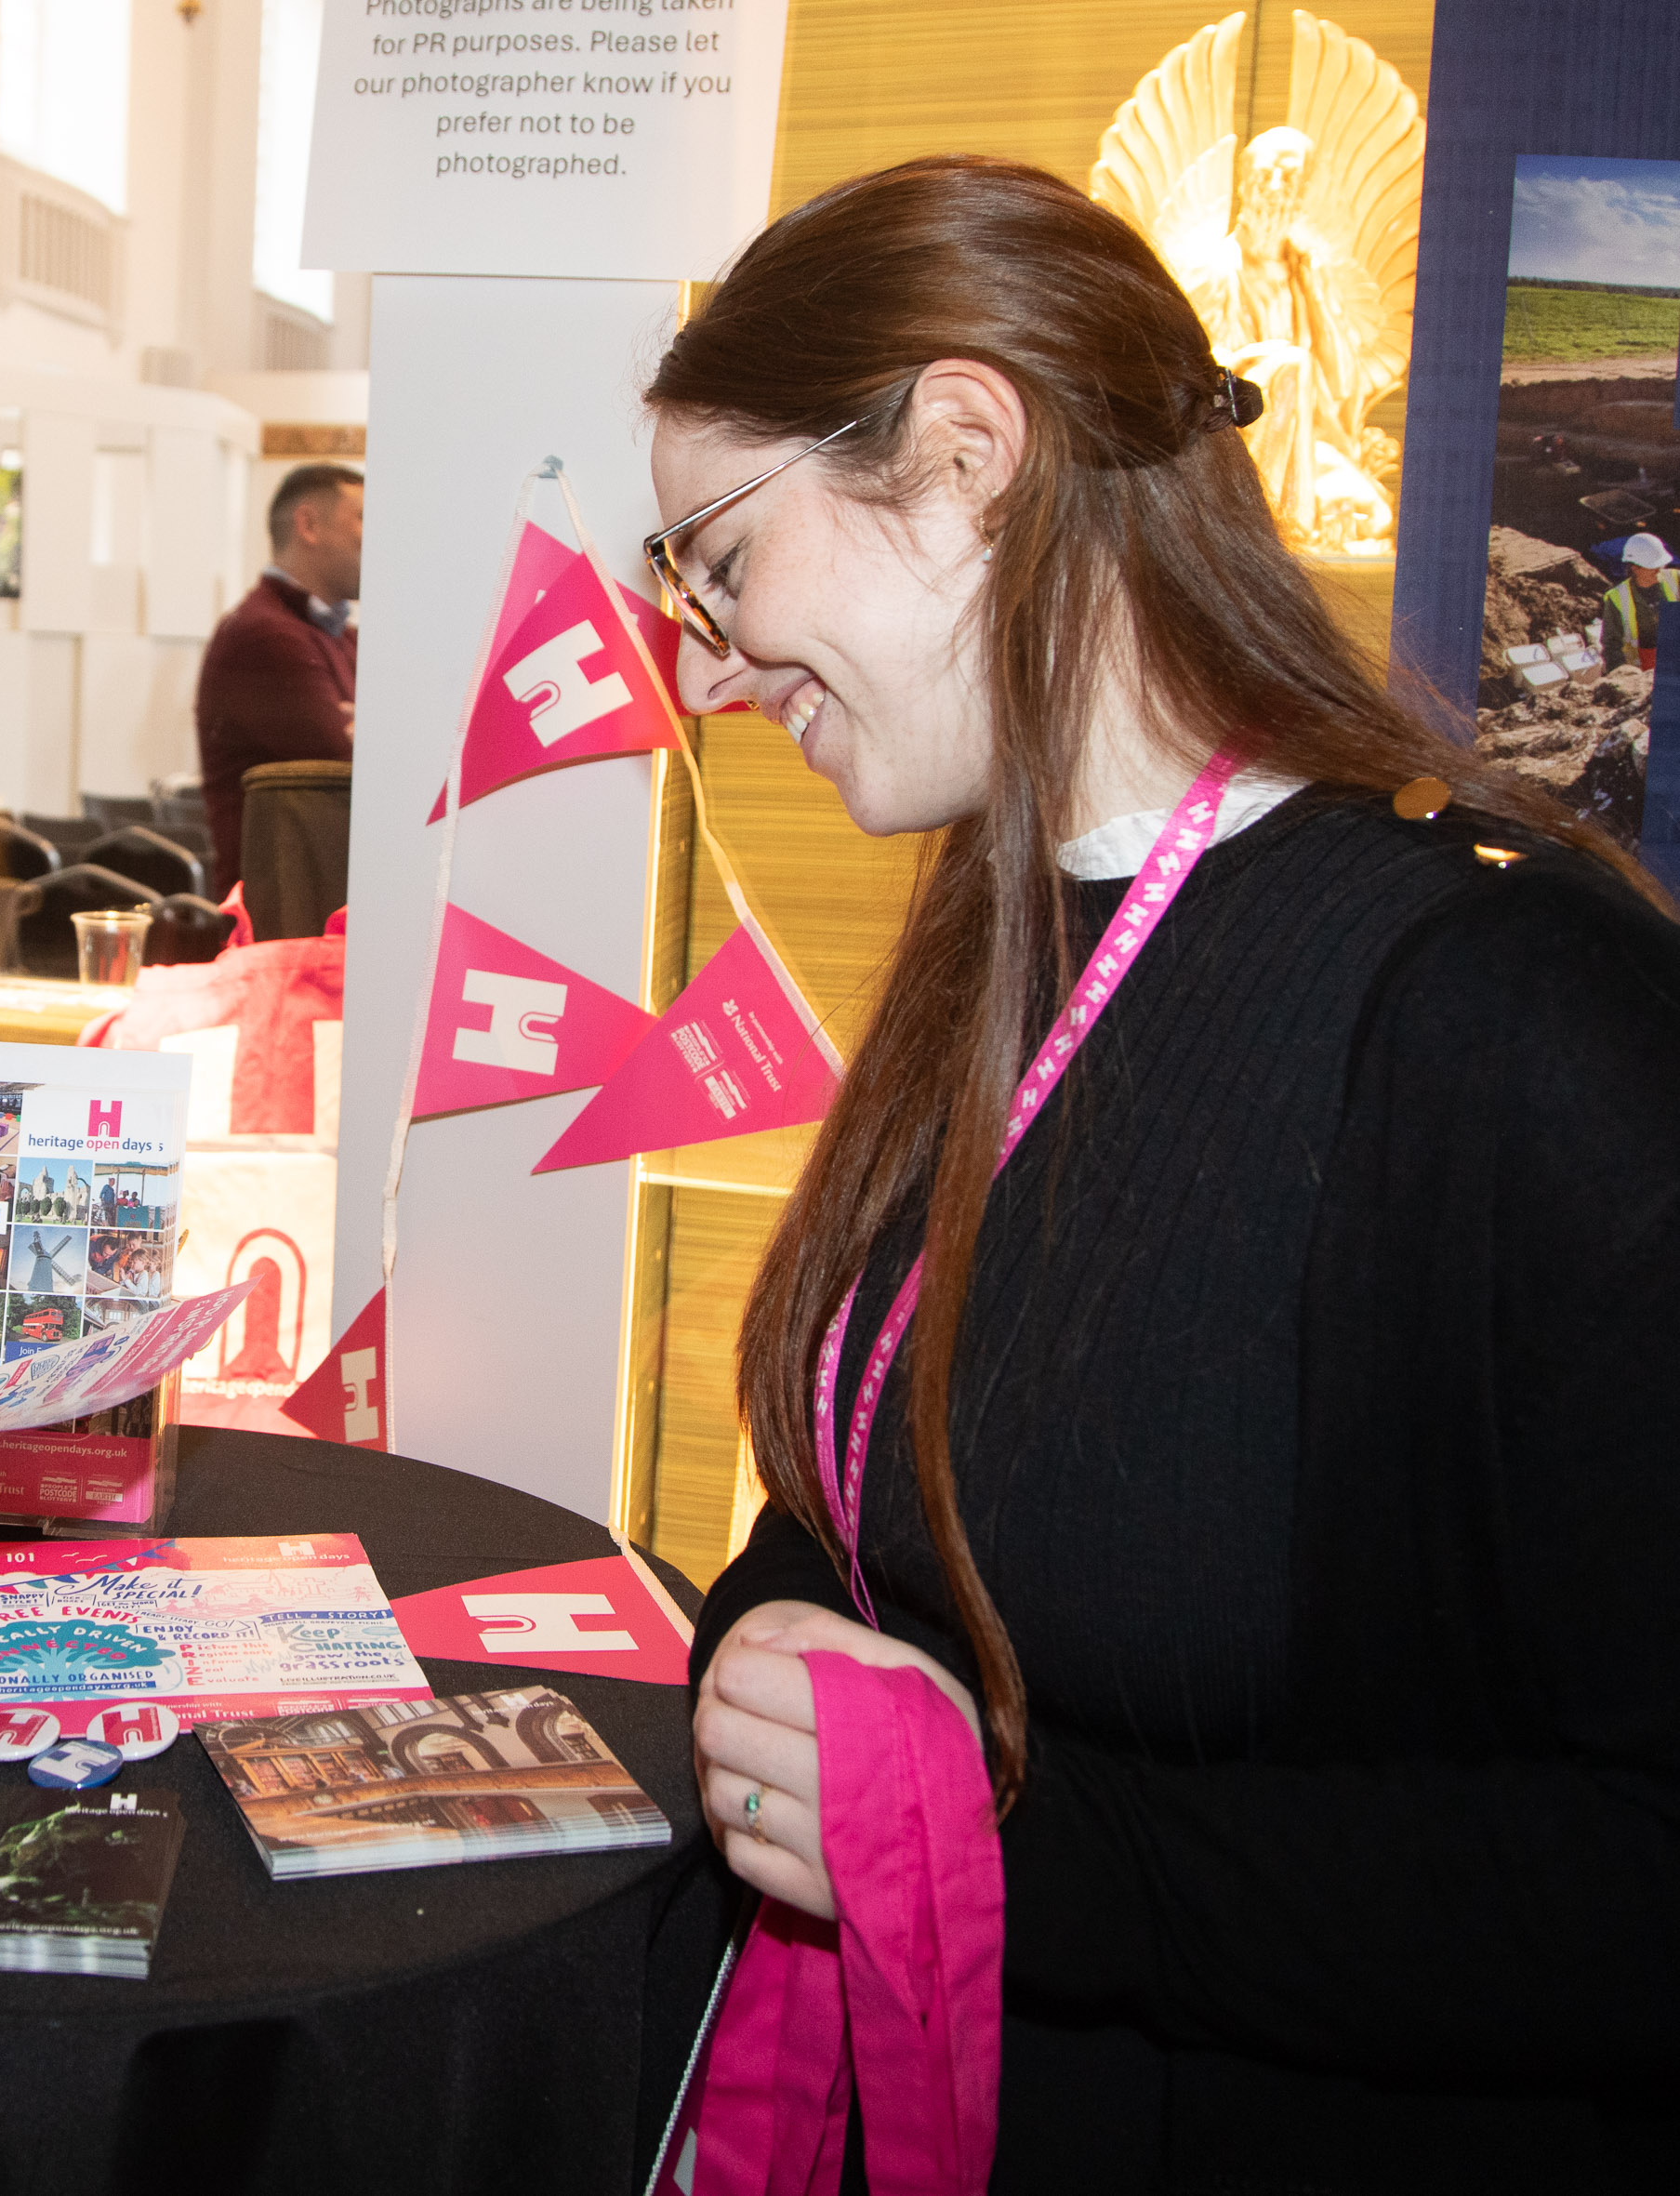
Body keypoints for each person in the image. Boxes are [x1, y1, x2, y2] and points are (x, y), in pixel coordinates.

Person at [651, 155, 1680, 2187]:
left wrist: (1017, 1850)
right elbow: (885, 1518)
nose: (703, 661)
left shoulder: (1514, 1019)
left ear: (963, 454)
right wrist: (763, 1656)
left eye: (717, 559)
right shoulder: (999, 937)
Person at [194, 461, 364, 895]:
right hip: (279, 914)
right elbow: (355, 772)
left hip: (312, 899)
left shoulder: (338, 635)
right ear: (308, 524)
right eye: (364, 518)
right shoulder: (264, 635)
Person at [1599, 531, 1676, 671]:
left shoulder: (1675, 579)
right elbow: (1611, 646)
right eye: (1653, 566)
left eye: (1661, 564)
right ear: (1635, 568)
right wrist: (1622, 676)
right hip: (1642, 666)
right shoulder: (1617, 598)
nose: (1659, 570)